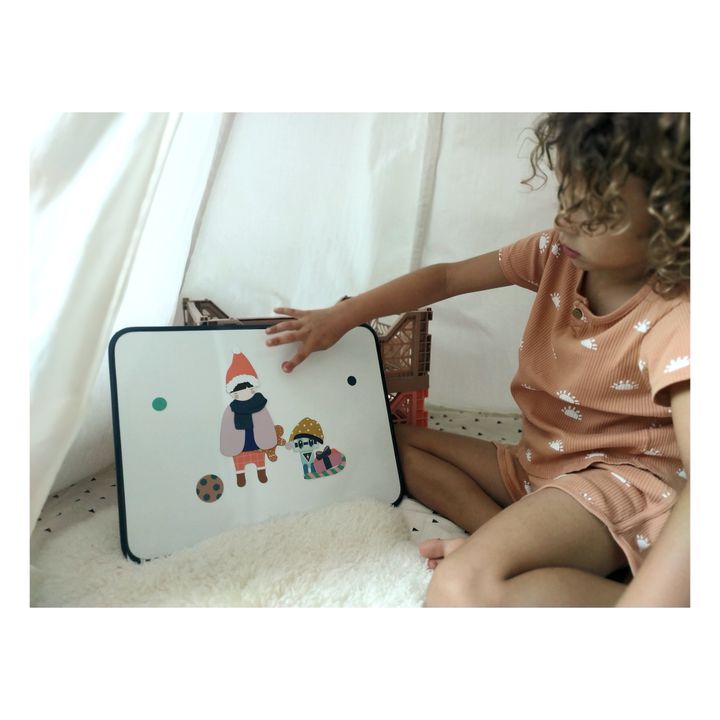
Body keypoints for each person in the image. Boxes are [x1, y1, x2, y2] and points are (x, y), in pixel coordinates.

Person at [264, 113, 690, 607]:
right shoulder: (557, 252)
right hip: (539, 464)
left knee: (459, 590)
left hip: (620, 485)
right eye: (568, 195)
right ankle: (503, 542)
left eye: (598, 209)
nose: (567, 220)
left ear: (674, 222)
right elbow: (446, 278)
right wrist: (344, 316)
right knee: (381, 446)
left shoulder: (679, 317)